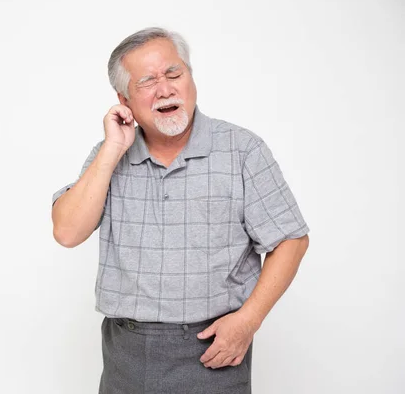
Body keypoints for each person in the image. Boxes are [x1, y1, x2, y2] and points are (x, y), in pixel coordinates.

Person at [51, 27, 310, 394]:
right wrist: (112, 149)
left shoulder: (242, 150)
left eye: (175, 74)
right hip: (125, 351)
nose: (166, 88)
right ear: (123, 98)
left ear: (190, 77)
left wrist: (248, 321)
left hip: (213, 351)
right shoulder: (107, 155)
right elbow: (67, 232)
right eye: (147, 81)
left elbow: (291, 240)